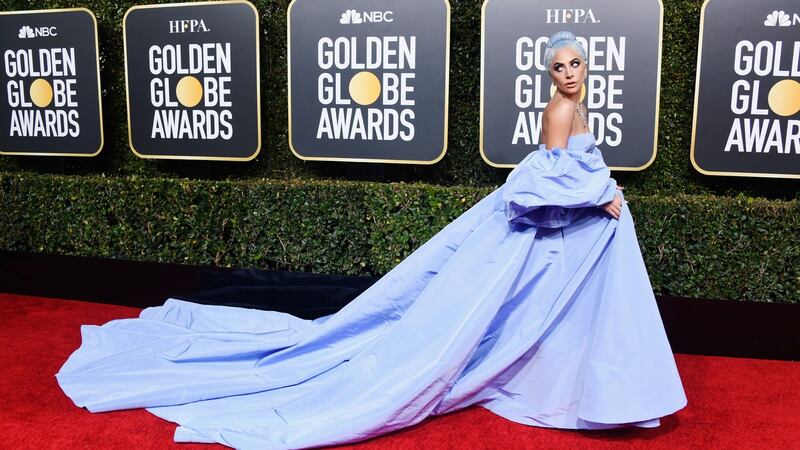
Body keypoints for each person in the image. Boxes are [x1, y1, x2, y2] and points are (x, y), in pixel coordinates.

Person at [56, 31, 687, 449]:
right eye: (559, 66)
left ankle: (575, 384)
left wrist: (596, 193)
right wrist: (597, 197)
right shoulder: (556, 110)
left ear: (588, 66)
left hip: (570, 233)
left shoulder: (577, 103)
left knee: (540, 318)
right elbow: (540, 185)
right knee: (501, 318)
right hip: (552, 229)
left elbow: (564, 170)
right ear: (548, 73)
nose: (570, 74)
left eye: (577, 64)